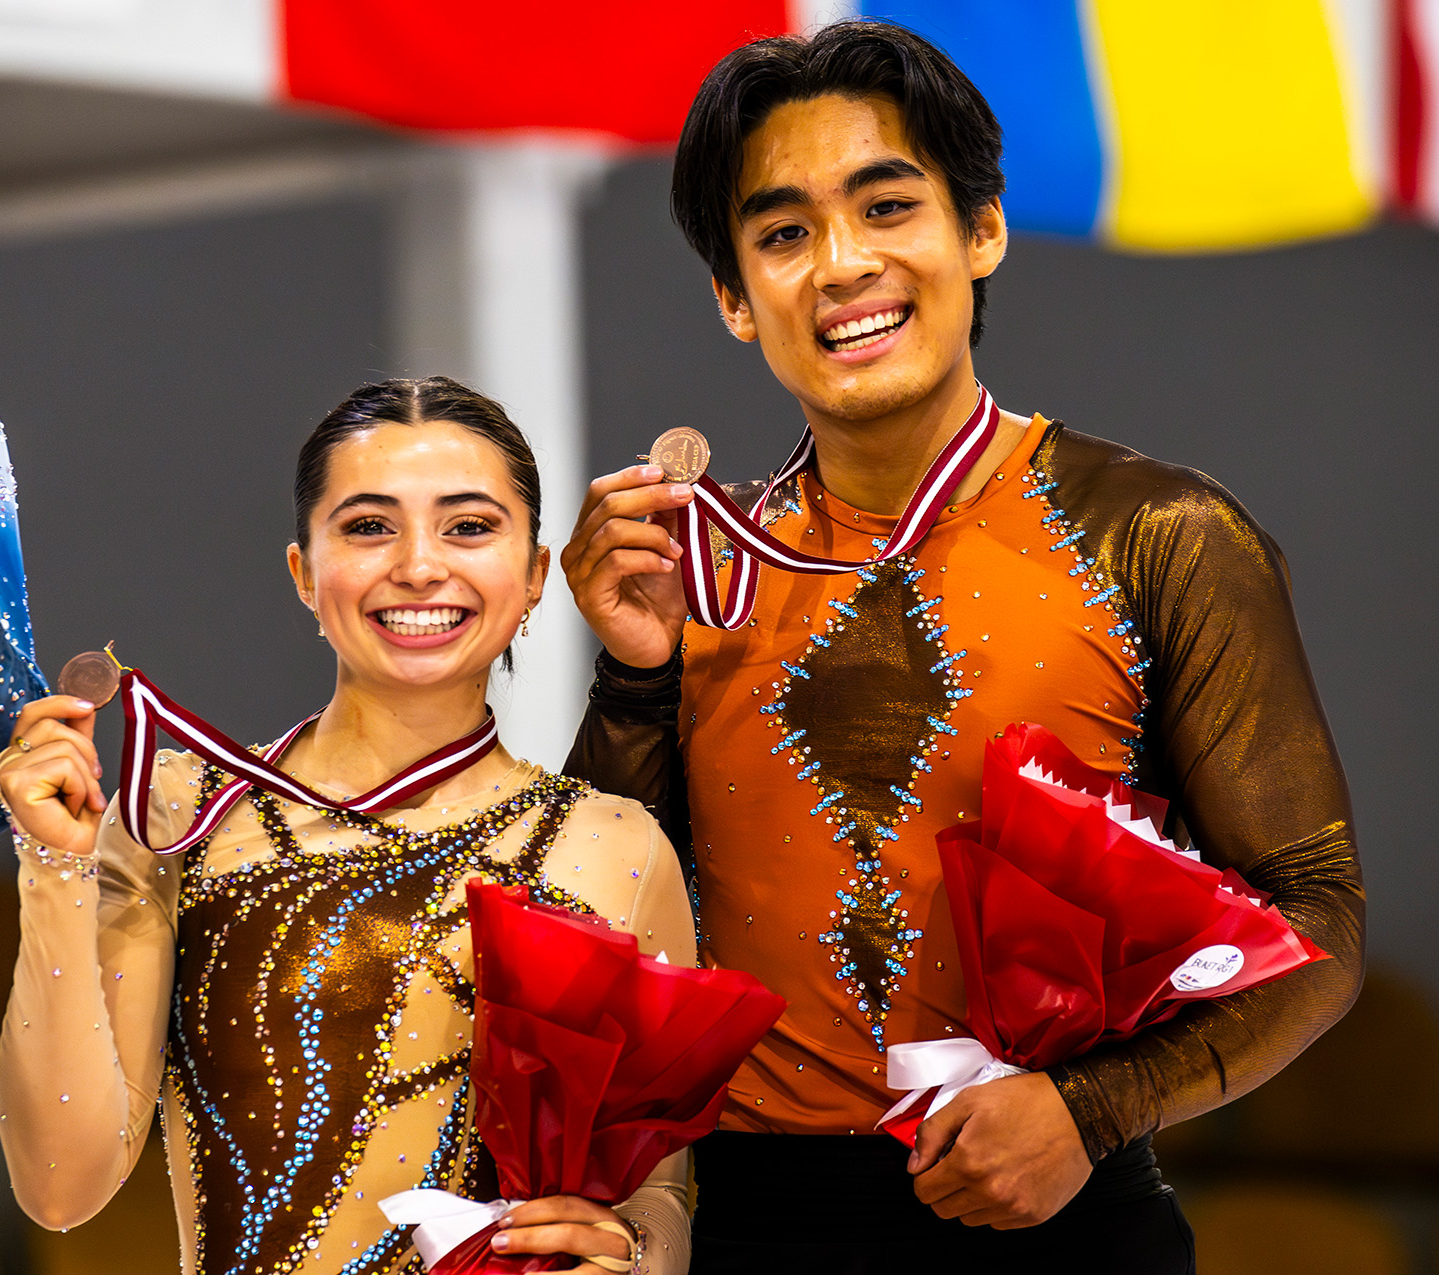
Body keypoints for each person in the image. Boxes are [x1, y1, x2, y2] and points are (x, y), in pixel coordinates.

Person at [562, 20, 1363, 1274]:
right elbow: (611, 947)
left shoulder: (1159, 534)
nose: (842, 265)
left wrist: (1090, 1110)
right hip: (751, 1231)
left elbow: (1318, 923)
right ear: (734, 298)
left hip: (1064, 1212)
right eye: (781, 235)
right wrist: (631, 673)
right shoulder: (692, 572)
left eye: (888, 205)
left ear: (980, 229)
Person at [0, 377, 694, 1275]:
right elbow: (60, 1185)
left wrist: (634, 1252)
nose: (419, 565)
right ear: (303, 572)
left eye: (469, 526)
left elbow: (658, 1195)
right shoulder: (181, 812)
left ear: (532, 577)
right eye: (369, 526)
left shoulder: (618, 846)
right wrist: (53, 866)